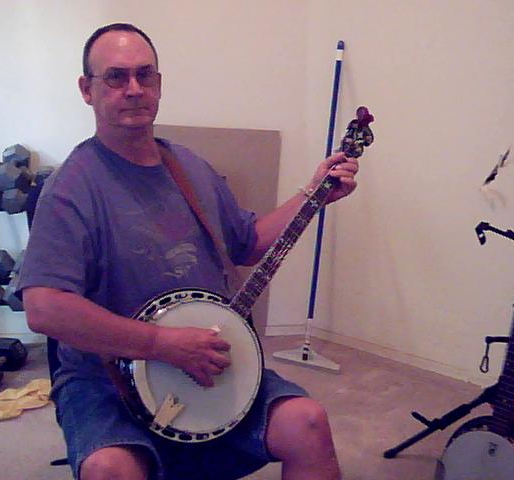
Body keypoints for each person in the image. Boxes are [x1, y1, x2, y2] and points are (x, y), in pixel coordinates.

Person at [18, 22, 360, 480]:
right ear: (86, 89)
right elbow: (44, 308)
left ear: (159, 84)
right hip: (107, 379)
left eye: (145, 75)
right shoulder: (70, 188)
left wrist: (313, 194)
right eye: (116, 77)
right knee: (109, 469)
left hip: (208, 362)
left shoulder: (190, 167)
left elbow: (249, 242)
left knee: (308, 423)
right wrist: (162, 345)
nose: (134, 89)